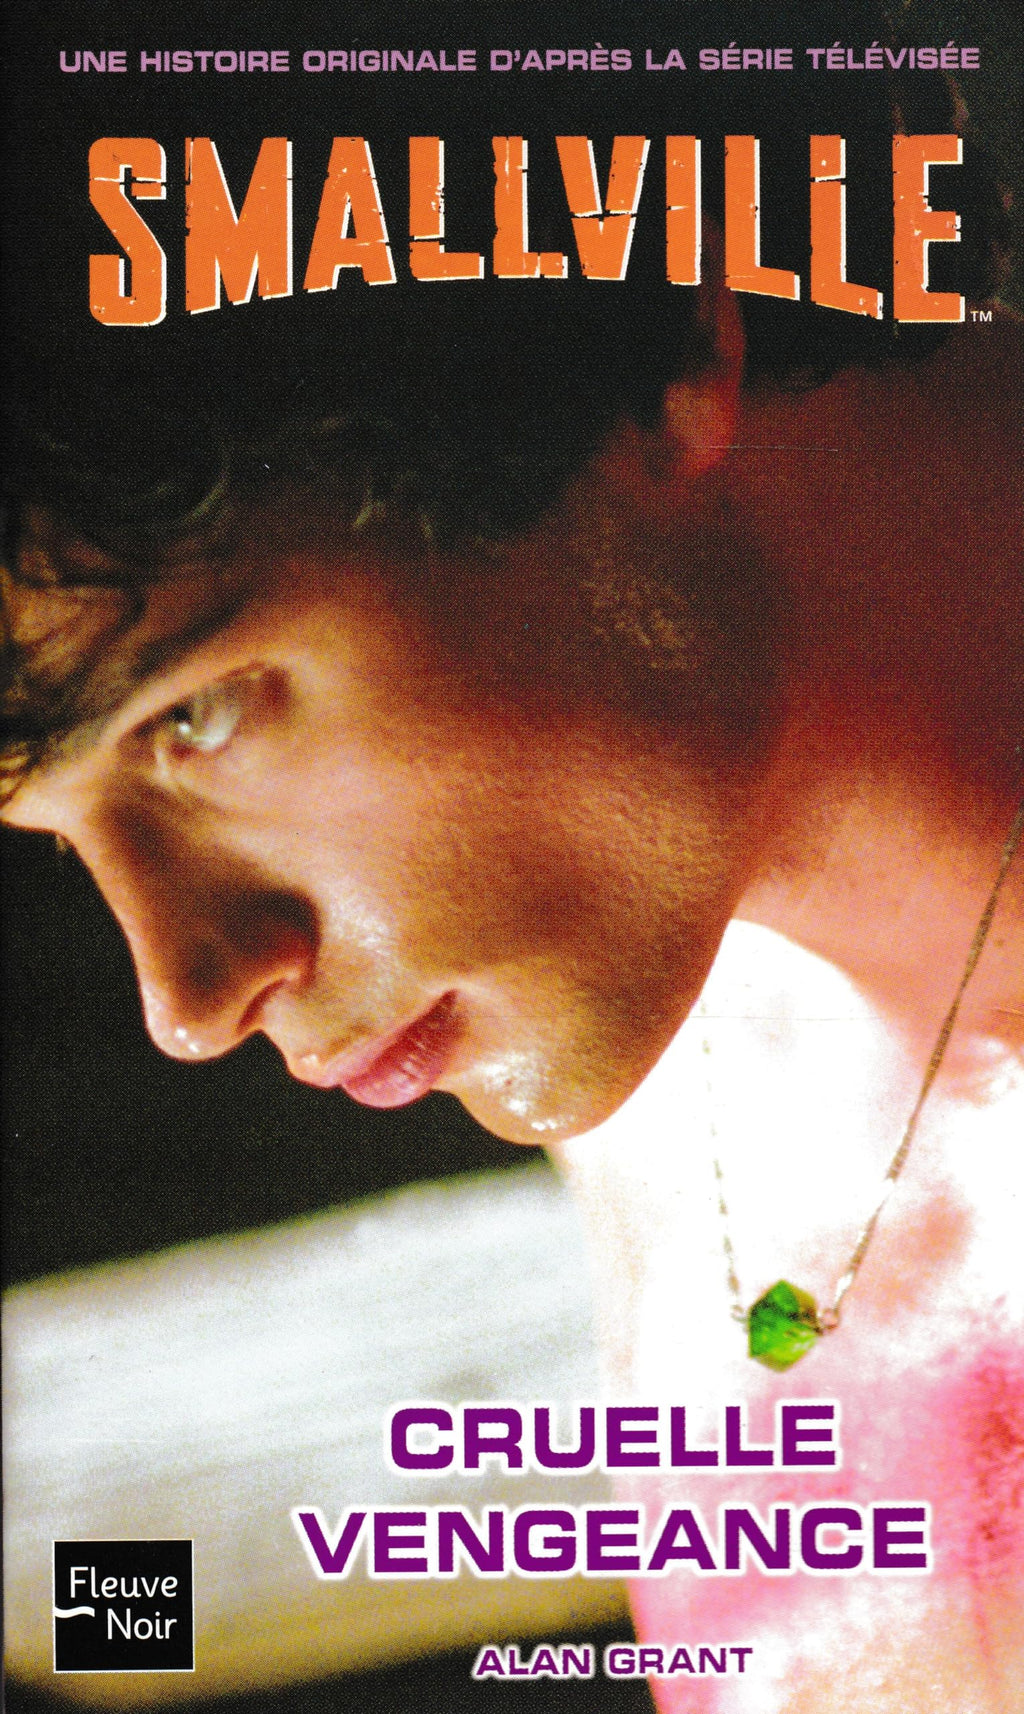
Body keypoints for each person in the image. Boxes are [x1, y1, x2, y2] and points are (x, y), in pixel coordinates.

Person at [2, 7, 1021, 1708]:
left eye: (192, 717)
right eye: (51, 829)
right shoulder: (677, 1044)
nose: (186, 993)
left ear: (647, 350)